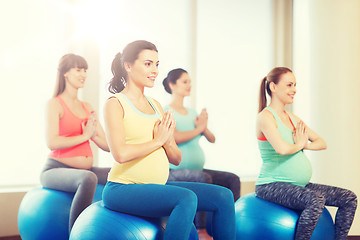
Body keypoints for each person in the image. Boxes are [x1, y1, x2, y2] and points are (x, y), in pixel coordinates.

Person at [102, 40, 235, 240]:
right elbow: (120, 154)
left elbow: (176, 158)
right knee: (186, 198)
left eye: (156, 64)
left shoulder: (156, 106)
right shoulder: (115, 103)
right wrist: (157, 141)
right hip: (123, 189)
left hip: (157, 186)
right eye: (148, 64)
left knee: (224, 197)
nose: (155, 70)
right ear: (128, 66)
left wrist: (167, 141)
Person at [255, 67, 357, 240]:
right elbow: (282, 149)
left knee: (349, 198)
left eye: (295, 85)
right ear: (273, 87)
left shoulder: (293, 118)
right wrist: (299, 144)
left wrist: (304, 146)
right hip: (271, 184)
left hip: (299, 185)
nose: (294, 89)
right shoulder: (266, 117)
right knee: (316, 200)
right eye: (289, 85)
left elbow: (321, 142)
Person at [162, 68, 240, 232]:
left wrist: (204, 127)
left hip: (197, 170)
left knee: (232, 179)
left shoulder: (192, 113)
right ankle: (201, 229)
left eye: (190, 81)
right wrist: (199, 129)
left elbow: (212, 139)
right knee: (203, 178)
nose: (189, 85)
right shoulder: (166, 111)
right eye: (185, 81)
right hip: (174, 171)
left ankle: (230, 225)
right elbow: (173, 137)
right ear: (172, 85)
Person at [40, 54, 111, 232]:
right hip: (55, 169)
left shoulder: (88, 107)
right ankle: (77, 234)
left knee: (119, 173)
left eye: (85, 70)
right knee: (88, 179)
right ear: (65, 73)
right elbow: (52, 142)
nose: (84, 74)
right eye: (78, 69)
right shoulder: (54, 104)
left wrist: (93, 135)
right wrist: (85, 135)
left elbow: (107, 146)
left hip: (85, 169)